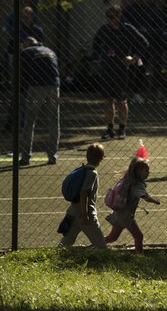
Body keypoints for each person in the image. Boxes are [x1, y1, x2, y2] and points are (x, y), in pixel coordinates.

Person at [93, 5, 149, 140]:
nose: (109, 20)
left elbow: (144, 43)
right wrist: (100, 57)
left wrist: (134, 57)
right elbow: (95, 44)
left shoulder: (128, 29)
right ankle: (109, 129)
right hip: (107, 68)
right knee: (107, 100)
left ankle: (122, 128)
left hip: (121, 69)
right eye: (107, 17)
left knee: (121, 100)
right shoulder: (104, 30)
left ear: (119, 16)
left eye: (112, 17)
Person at [105, 157, 161, 253]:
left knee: (112, 237)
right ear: (138, 171)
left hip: (118, 211)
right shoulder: (137, 184)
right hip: (125, 216)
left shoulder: (127, 179)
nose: (148, 172)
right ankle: (140, 258)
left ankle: (93, 246)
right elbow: (146, 197)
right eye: (146, 170)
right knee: (139, 236)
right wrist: (155, 201)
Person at [18, 37, 60, 166]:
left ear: (25, 44)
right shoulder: (50, 50)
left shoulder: (26, 52)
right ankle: (52, 156)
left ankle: (25, 157)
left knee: (29, 121)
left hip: (36, 86)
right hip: (54, 85)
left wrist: (22, 89)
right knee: (54, 120)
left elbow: (23, 72)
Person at [59, 143, 107, 249]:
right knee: (101, 247)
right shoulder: (92, 173)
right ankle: (97, 260)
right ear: (101, 158)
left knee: (66, 242)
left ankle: (51, 260)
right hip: (85, 213)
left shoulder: (82, 169)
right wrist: (85, 215)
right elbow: (84, 194)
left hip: (73, 211)